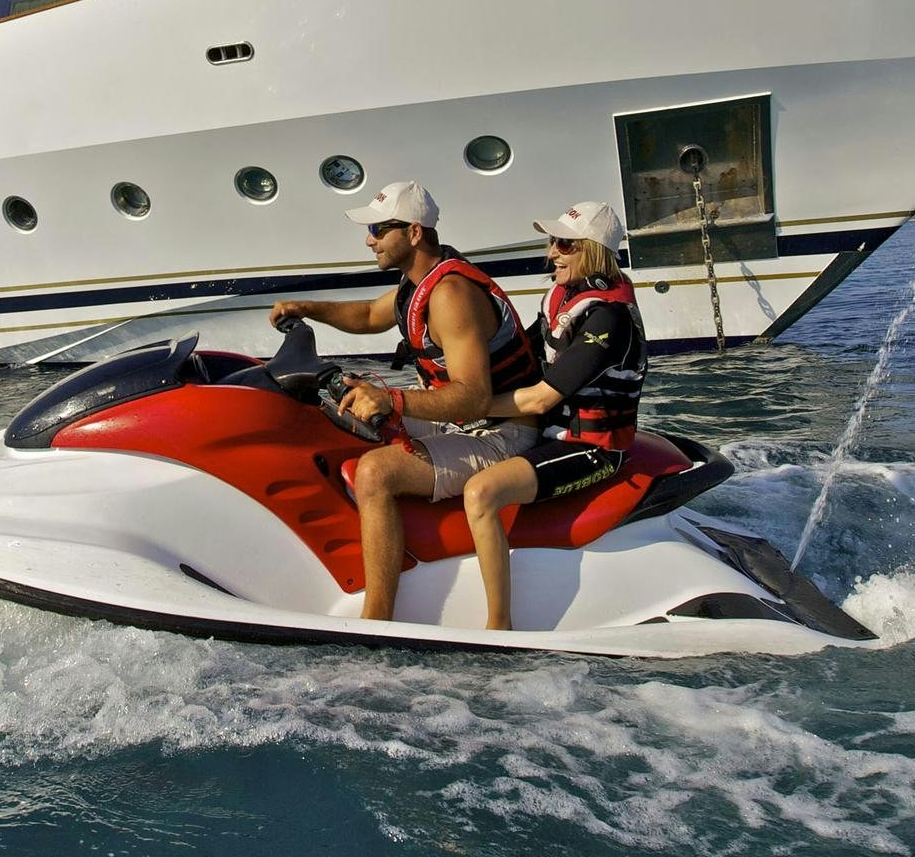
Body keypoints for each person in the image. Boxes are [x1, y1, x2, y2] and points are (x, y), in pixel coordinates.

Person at [268, 179, 543, 622]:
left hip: (500, 434)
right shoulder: (413, 284)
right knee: (339, 416)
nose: (369, 239)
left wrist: (392, 400)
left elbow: (474, 398)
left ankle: (377, 618)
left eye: (379, 229)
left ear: (414, 233)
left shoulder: (452, 295)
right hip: (461, 421)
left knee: (374, 473)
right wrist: (306, 308)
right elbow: (367, 316)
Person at [459, 200, 646, 631]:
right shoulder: (563, 300)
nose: (551, 253)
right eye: (552, 242)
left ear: (594, 251)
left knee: (480, 493)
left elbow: (542, 398)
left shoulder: (608, 318)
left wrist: (470, 404)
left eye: (564, 244)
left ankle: (498, 626)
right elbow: (520, 359)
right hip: (550, 435)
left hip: (592, 448)